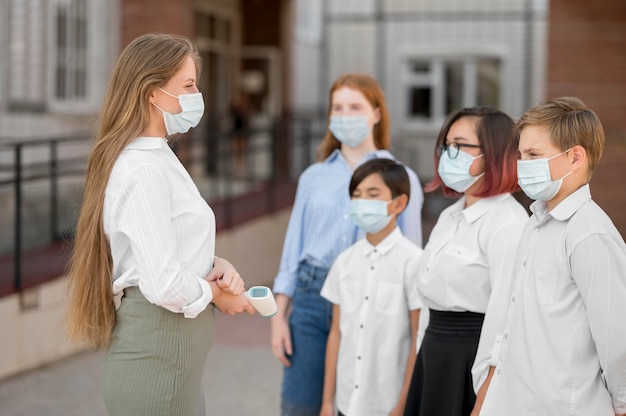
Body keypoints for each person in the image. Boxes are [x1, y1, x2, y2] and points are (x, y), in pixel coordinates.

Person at [65, 33, 254, 416]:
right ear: (152, 92)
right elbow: (164, 283)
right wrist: (216, 295)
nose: (196, 94)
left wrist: (217, 266)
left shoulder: (158, 156)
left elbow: (165, 244)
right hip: (158, 368)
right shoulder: (143, 167)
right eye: (188, 85)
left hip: (173, 369)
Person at [271, 73, 424, 415]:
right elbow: (293, 250)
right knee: (299, 405)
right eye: (337, 108)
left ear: (376, 113)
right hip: (311, 299)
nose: (344, 115)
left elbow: (411, 253)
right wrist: (279, 317)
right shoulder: (313, 177)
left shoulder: (403, 178)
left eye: (355, 107)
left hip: (371, 297)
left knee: (359, 403)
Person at [473, 97, 626, 416]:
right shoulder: (535, 224)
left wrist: (622, 402)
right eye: (521, 155)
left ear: (575, 158)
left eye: (534, 155)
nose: (522, 164)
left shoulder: (589, 234)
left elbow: (616, 334)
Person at [403, 107, 528, 416]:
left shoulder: (507, 223)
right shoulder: (449, 215)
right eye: (446, 146)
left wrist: (484, 402)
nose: (449, 154)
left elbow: (508, 324)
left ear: (494, 153)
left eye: (460, 145)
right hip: (433, 354)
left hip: (472, 359)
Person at [320, 158, 423, 416]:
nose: (362, 201)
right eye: (356, 195)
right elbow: (335, 334)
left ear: (399, 203)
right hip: (345, 402)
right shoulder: (344, 262)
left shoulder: (414, 263)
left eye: (373, 194)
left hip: (387, 404)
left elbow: (416, 340)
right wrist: (327, 403)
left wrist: (401, 405)